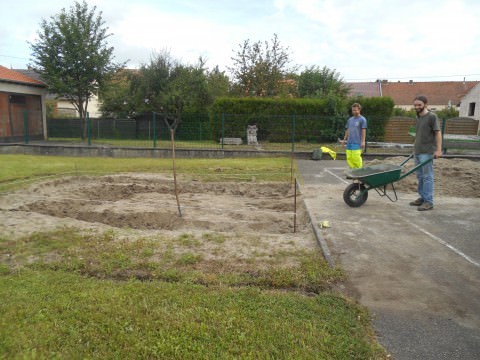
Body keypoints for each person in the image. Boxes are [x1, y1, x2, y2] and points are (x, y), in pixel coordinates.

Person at [409, 95, 442, 211]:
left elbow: (437, 133)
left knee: (427, 177)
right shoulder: (418, 117)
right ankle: (422, 198)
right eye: (415, 105)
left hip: (427, 152)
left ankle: (429, 201)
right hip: (417, 151)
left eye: (419, 105)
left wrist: (438, 150)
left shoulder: (432, 116)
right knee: (420, 176)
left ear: (426, 104)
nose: (417, 107)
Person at [342, 103, 367, 168]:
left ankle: (359, 170)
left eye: (356, 110)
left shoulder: (362, 119)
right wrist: (344, 140)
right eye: (353, 110)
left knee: (356, 157)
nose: (354, 111)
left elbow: (363, 130)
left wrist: (363, 141)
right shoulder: (350, 120)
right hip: (349, 142)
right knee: (349, 158)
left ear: (359, 110)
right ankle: (352, 170)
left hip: (357, 142)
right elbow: (347, 130)